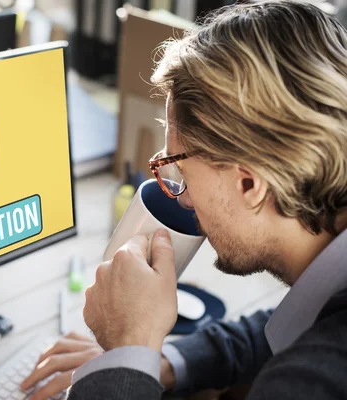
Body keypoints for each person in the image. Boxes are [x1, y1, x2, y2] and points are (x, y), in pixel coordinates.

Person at [20, 0, 347, 399]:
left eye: (180, 170)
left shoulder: (314, 382)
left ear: (250, 185)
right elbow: (288, 327)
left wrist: (128, 346)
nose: (184, 199)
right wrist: (158, 362)